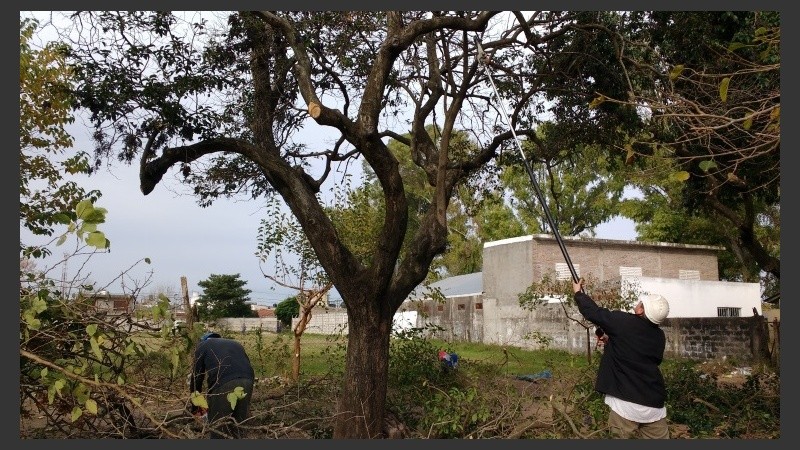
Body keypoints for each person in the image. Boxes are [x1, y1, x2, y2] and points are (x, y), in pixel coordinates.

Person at [573, 279, 671, 439]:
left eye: (640, 303)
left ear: (641, 310)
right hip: (654, 405)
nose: (638, 303)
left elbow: (594, 313)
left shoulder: (623, 322)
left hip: (626, 404)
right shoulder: (659, 336)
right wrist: (613, 342)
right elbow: (641, 355)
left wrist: (578, 293)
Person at [190, 331, 255, 439]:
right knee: (238, 426)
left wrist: (195, 407)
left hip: (224, 383)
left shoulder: (202, 345)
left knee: (218, 427)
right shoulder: (235, 344)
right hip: (247, 380)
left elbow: (197, 377)